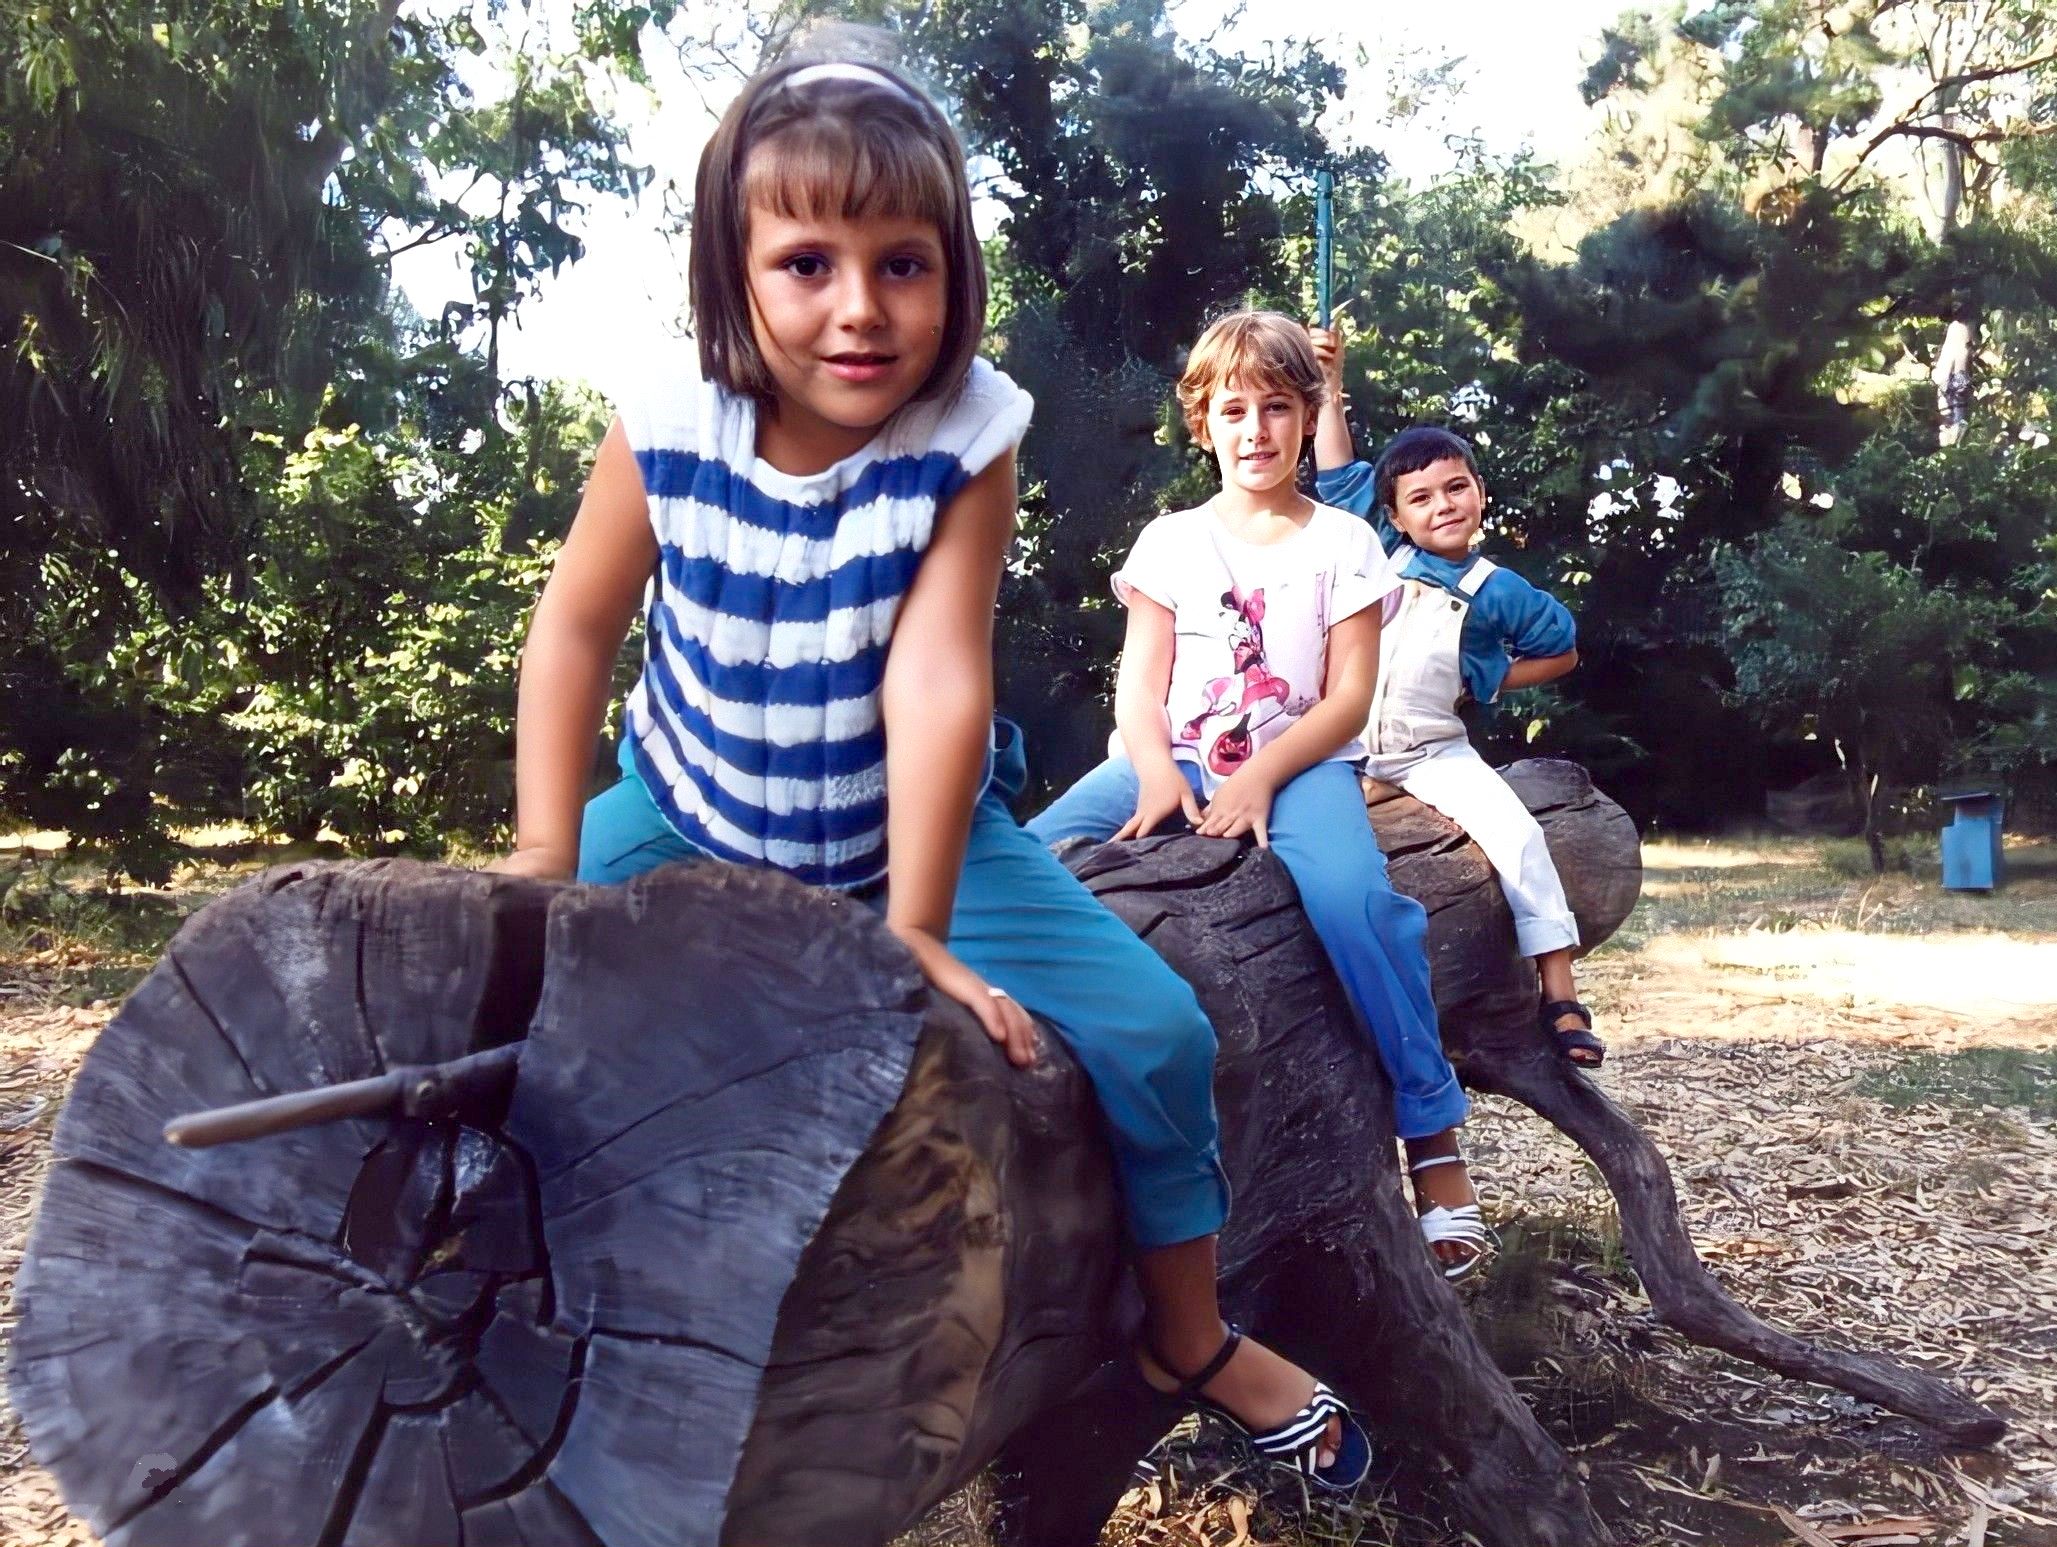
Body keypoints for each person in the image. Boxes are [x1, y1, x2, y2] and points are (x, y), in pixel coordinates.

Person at [490, 55, 1369, 1487]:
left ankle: (1190, 1333)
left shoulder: (969, 430)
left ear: (953, 271)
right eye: (805, 262)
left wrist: (913, 916)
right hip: (686, 807)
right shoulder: (666, 420)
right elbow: (575, 625)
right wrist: (541, 856)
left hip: (908, 826)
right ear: (733, 270)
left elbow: (938, 669)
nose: (857, 306)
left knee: (1160, 1035)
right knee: (491, 1003)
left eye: (901, 262)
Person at [1028, 311, 1492, 1280]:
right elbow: (1137, 683)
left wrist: (1260, 778)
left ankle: (1431, 1130)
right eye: (1232, 409)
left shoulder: (1346, 541)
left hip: (1298, 760)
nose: (1255, 430)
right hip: (1174, 754)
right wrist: (1156, 770)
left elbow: (1348, 697)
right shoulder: (1169, 540)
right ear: (1200, 422)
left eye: (1276, 407)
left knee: (1357, 903)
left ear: (1305, 413)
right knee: (1021, 858)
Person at [1308, 323, 1604, 1067]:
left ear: (1479, 494)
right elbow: (1337, 465)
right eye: (1420, 496)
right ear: (1396, 512)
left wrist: (1494, 677)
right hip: (1339, 743)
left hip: (1430, 752)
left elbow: (1562, 649)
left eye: (1455, 488)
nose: (1440, 504)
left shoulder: (1496, 590)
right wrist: (1330, 382)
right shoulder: (1376, 547)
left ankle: (1559, 994)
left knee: (1518, 837)